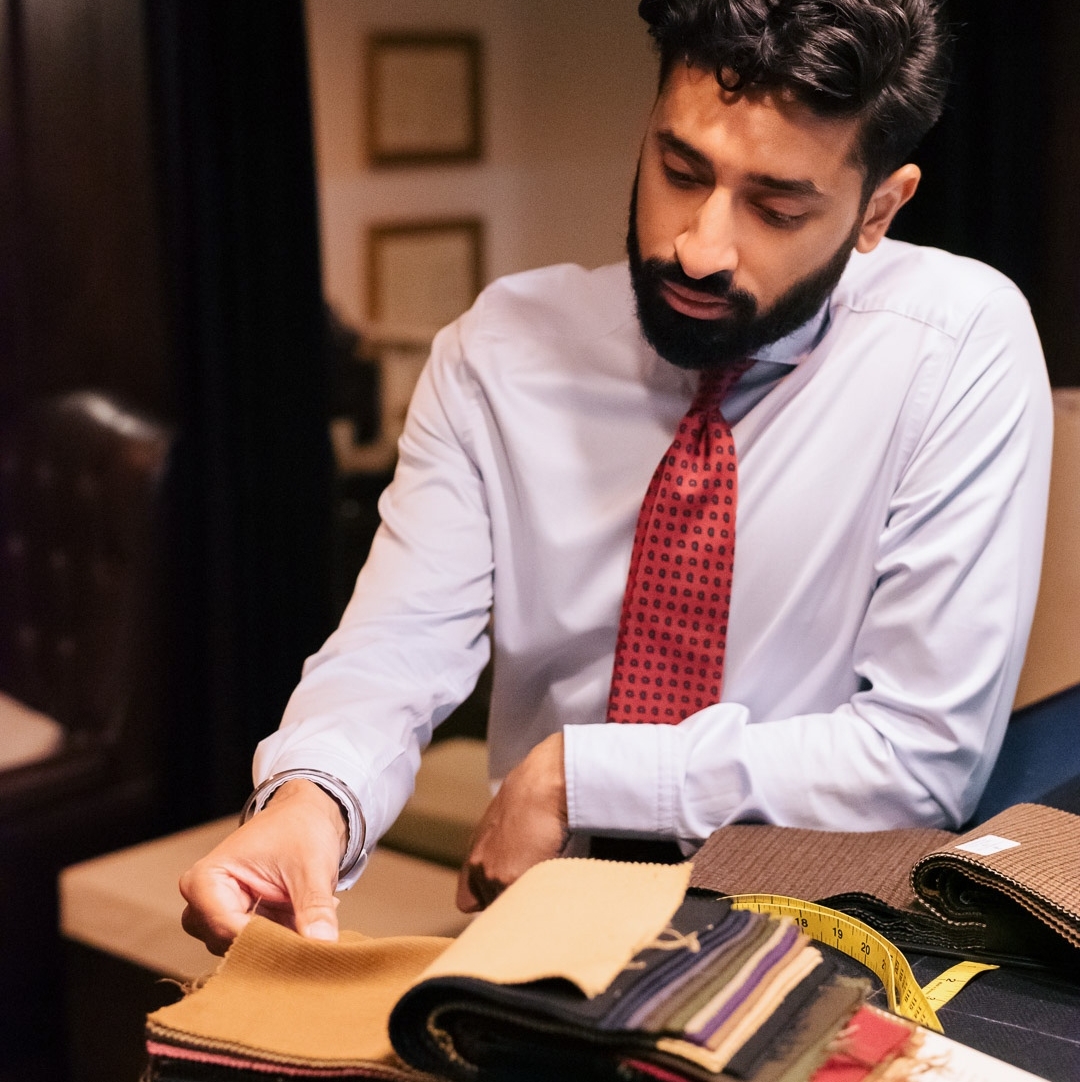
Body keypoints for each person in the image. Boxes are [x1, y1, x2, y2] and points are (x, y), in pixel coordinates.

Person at [180, 0, 1053, 954]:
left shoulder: (958, 345)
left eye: (776, 207)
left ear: (879, 208)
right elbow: (396, 649)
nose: (699, 247)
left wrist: (580, 776)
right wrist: (312, 797)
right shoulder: (499, 355)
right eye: (680, 170)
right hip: (540, 933)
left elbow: (919, 759)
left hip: (817, 936)